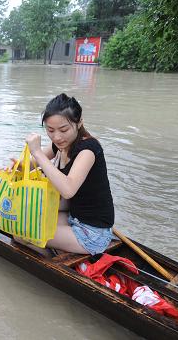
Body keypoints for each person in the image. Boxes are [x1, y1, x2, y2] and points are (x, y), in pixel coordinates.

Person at [13, 93, 114, 255]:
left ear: (79, 123)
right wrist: (17, 167)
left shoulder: (88, 149)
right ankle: (57, 251)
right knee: (22, 220)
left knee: (21, 233)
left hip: (93, 233)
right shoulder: (60, 145)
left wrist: (37, 152)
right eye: (50, 130)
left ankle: (53, 260)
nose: (57, 137)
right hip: (73, 216)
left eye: (63, 129)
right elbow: (31, 163)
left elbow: (68, 189)